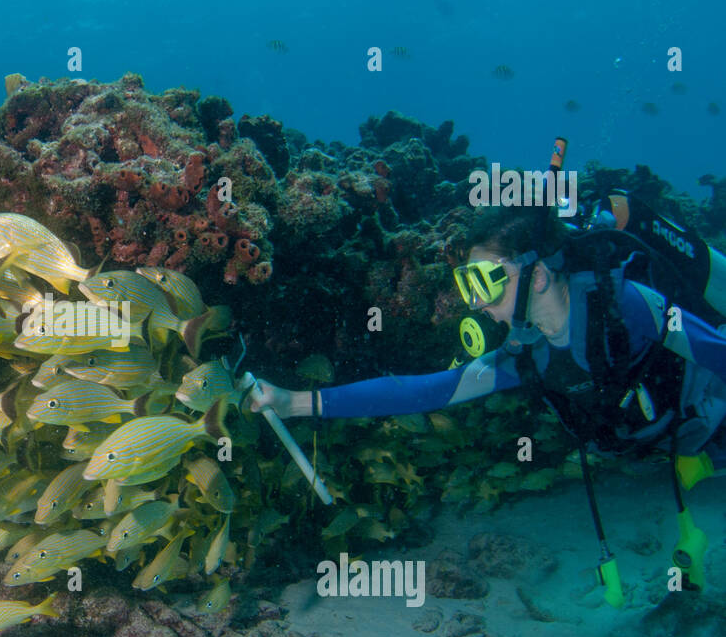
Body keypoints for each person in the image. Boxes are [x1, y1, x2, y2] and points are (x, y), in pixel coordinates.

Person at [242, 202, 726, 482]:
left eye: (484, 281)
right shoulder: (527, 353)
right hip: (662, 449)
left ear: (536, 277)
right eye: (466, 283)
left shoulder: (628, 309)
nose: (473, 302)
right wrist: (296, 402)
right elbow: (427, 390)